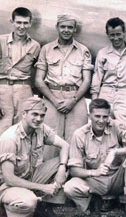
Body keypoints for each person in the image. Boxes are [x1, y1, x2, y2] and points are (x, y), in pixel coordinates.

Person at [64, 98, 126, 217]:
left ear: (109, 116)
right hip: (96, 180)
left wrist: (116, 151)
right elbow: (74, 170)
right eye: (97, 116)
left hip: (118, 178)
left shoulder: (117, 126)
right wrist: (93, 173)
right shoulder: (79, 134)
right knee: (70, 187)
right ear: (89, 116)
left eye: (105, 116)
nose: (101, 120)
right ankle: (93, 203)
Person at [0, 97, 69, 217]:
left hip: (27, 176)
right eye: (34, 114)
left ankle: (42, 209)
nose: (39, 119)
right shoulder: (10, 138)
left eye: (42, 115)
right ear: (24, 114)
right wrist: (44, 188)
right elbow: (9, 179)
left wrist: (62, 168)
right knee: (28, 201)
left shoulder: (41, 129)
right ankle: (5, 209)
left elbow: (65, 145)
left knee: (66, 163)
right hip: (3, 186)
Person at [35, 14, 93, 160]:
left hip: (76, 97)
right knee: (49, 137)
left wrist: (73, 100)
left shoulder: (83, 50)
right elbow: (38, 81)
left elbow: (86, 81)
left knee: (77, 136)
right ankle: (49, 174)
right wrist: (54, 101)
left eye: (70, 27)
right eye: (63, 27)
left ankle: (73, 173)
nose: (66, 30)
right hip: (51, 96)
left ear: (74, 29)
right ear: (57, 27)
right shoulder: (46, 49)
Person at [0, 7, 41, 153]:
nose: (22, 27)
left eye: (25, 23)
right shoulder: (0, 41)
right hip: (3, 89)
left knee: (21, 132)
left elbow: (37, 74)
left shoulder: (35, 46)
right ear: (12, 22)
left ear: (30, 24)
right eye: (18, 22)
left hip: (24, 91)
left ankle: (15, 171)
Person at [91, 17, 126, 133]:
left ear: (124, 33)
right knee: (102, 131)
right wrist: (95, 103)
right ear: (107, 34)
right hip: (105, 94)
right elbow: (97, 78)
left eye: (118, 34)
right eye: (112, 35)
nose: (116, 38)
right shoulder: (102, 53)